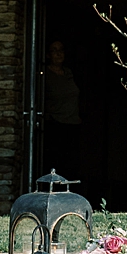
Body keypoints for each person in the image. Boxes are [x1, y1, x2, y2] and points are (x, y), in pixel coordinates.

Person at [41, 40, 83, 183]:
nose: (58, 53)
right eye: (54, 50)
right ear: (47, 55)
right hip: (55, 125)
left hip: (73, 123)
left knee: (71, 165)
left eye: (61, 50)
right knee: (56, 164)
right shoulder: (45, 74)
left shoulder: (69, 72)